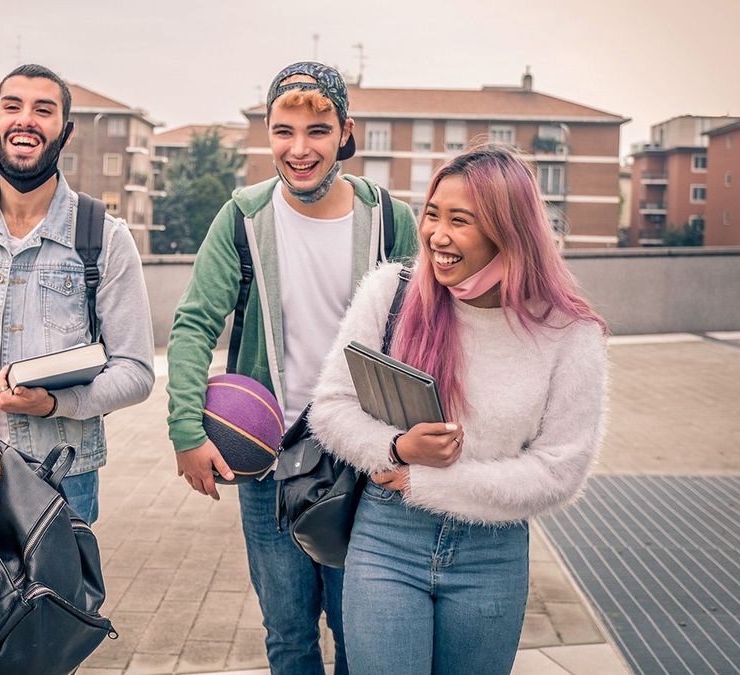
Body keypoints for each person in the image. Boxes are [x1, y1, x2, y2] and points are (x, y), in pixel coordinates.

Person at [310, 144, 609, 674]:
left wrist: (426, 482)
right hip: (387, 539)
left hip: (491, 553)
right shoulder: (390, 293)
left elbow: (559, 471)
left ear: (507, 230)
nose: (436, 235)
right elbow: (331, 407)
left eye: (460, 221)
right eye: (432, 214)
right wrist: (395, 448)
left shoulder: (570, 333)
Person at [165, 61, 418, 674]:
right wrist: (186, 433)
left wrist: (409, 450)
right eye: (284, 131)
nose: (299, 149)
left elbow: (424, 339)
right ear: (268, 134)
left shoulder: (390, 220)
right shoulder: (243, 217)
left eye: (317, 131)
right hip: (266, 457)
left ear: (345, 132)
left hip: (361, 456)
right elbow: (195, 323)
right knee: (288, 632)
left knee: (360, 629)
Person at [0, 64, 155, 524]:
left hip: (63, 476)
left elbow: (136, 370)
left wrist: (58, 403)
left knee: (58, 599)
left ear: (66, 132)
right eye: (12, 106)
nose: (26, 119)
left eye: (44, 110)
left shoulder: (104, 238)